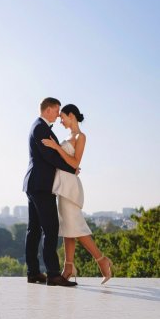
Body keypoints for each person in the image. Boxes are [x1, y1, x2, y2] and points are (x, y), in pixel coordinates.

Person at [42, 103, 113, 284]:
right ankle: (69, 266)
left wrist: (56, 147)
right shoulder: (68, 136)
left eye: (62, 117)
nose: (60, 121)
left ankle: (102, 260)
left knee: (76, 228)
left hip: (70, 187)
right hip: (63, 185)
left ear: (71, 115)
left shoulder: (81, 136)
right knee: (68, 228)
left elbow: (74, 163)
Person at [23, 97, 78, 287]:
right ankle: (53, 274)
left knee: (34, 230)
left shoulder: (39, 127)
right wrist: (72, 169)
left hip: (35, 184)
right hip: (41, 186)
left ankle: (33, 272)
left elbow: (51, 155)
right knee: (50, 228)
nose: (58, 113)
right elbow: (50, 156)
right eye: (57, 110)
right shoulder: (40, 128)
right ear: (48, 109)